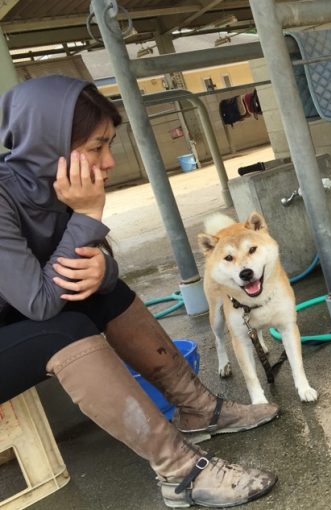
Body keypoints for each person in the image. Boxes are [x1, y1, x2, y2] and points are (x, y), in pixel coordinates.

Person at [0, 75, 278, 508]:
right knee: (64, 328)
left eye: (109, 144)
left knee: (103, 291)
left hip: (14, 320)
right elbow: (39, 303)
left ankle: (197, 407)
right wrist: (88, 213)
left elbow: (100, 269)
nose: (108, 161)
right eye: (96, 148)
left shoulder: (60, 185)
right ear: (48, 143)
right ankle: (180, 471)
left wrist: (101, 268)